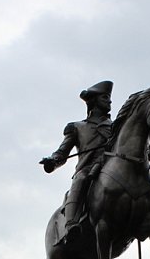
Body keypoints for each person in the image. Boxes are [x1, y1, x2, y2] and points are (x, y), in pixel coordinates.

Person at [40, 80, 113, 243]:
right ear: (94, 101)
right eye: (105, 97)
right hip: (88, 169)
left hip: (110, 167)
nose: (110, 101)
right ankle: (71, 224)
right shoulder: (77, 127)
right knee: (80, 179)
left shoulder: (115, 128)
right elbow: (62, 152)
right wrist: (53, 161)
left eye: (109, 98)